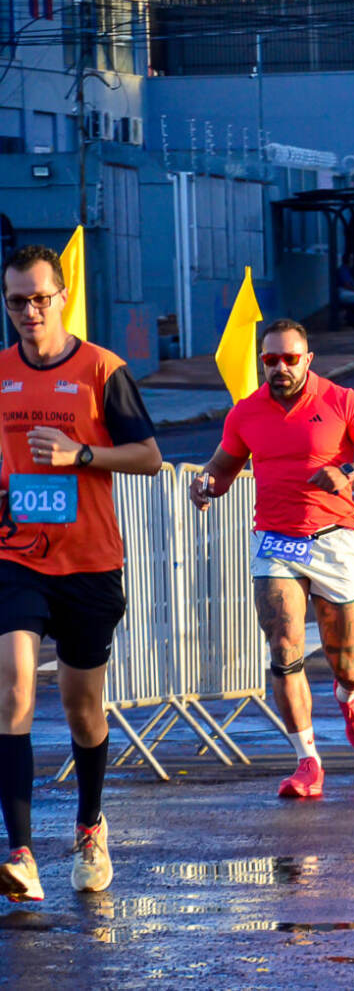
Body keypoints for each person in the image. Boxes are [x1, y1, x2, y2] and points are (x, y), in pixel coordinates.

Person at [0, 245, 162, 903]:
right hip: (17, 556)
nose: (30, 311)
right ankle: (19, 850)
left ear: (62, 296)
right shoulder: (1, 372)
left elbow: (150, 456)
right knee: (13, 686)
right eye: (16, 301)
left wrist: (82, 453)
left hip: (91, 562)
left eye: (40, 298)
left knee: (82, 708)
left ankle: (91, 823)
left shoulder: (103, 369)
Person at [191, 318, 354, 799]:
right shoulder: (245, 413)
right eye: (270, 360)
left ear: (308, 359)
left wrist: (350, 472)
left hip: (335, 537)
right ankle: (307, 761)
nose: (279, 368)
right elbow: (221, 468)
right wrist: (204, 486)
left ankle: (349, 695)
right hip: (276, 540)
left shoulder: (341, 401)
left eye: (289, 358)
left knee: (347, 659)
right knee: (283, 648)